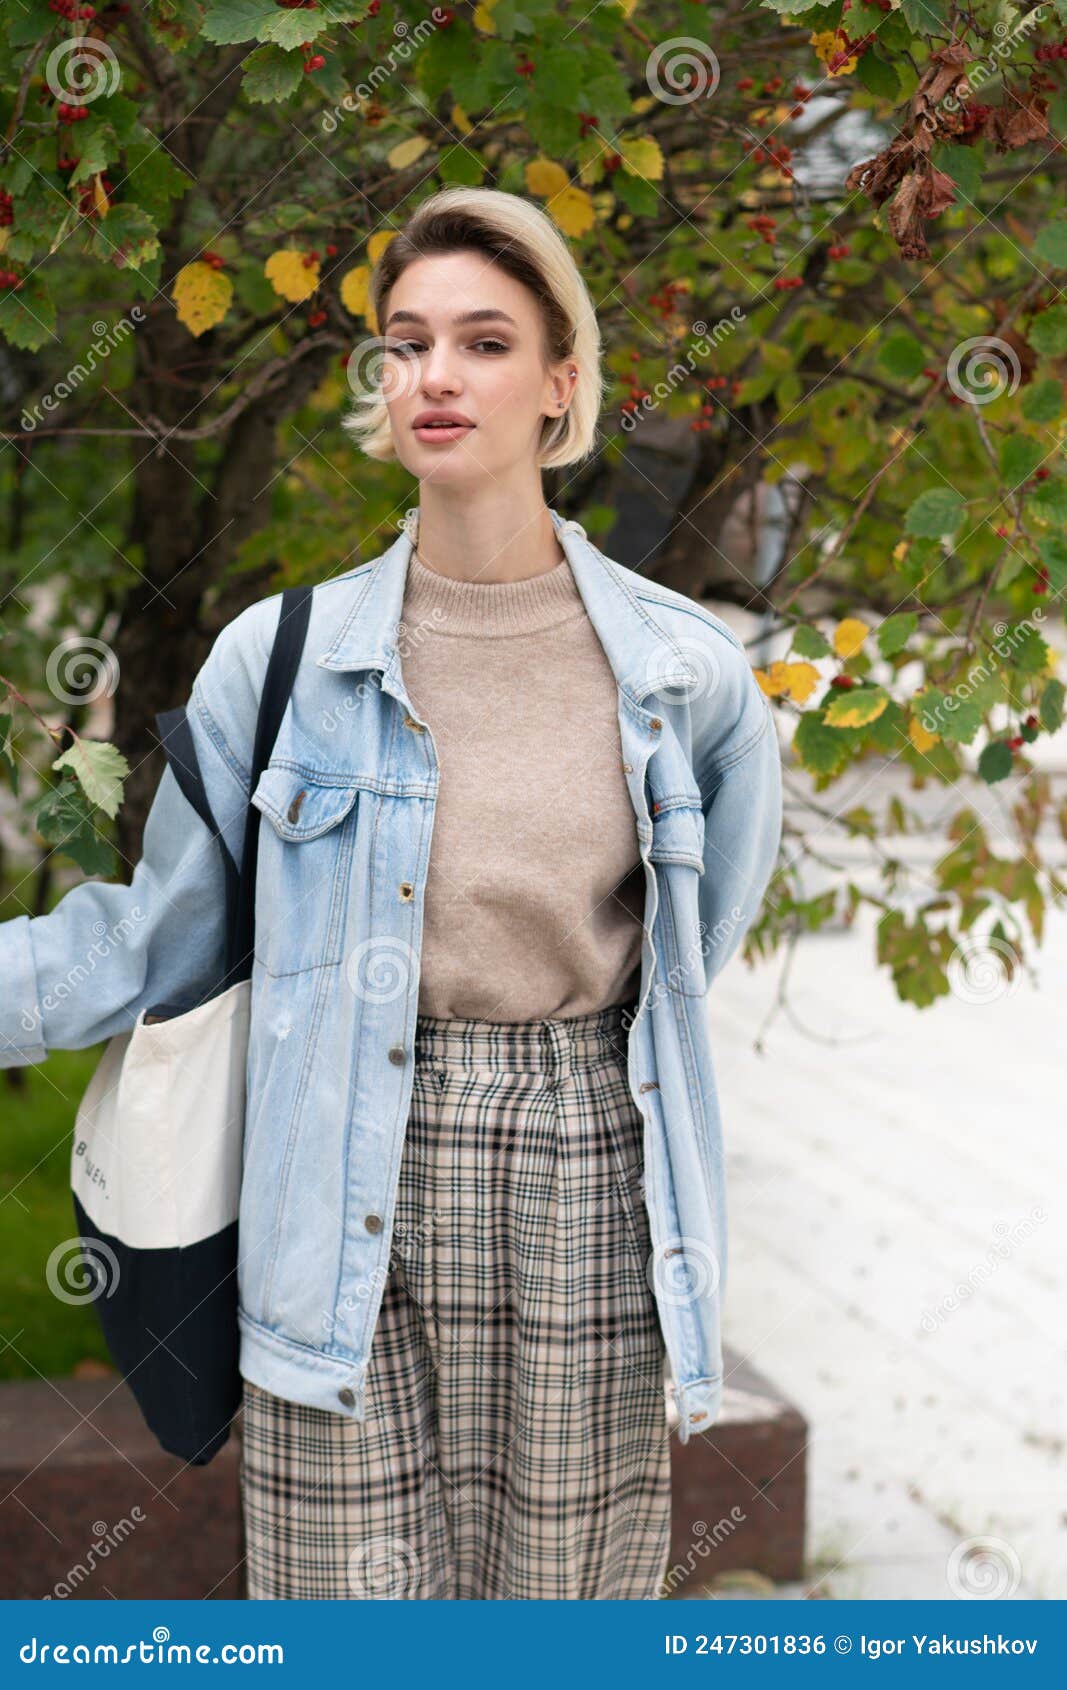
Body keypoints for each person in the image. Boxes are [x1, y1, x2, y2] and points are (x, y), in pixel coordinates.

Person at [0, 187, 783, 1600]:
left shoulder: (686, 679)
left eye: (484, 341)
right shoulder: (279, 658)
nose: (435, 374)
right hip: (334, 1184)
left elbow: (689, 951)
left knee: (561, 1629)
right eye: (406, 341)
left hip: (587, 1186)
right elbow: (158, 934)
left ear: (560, 381)